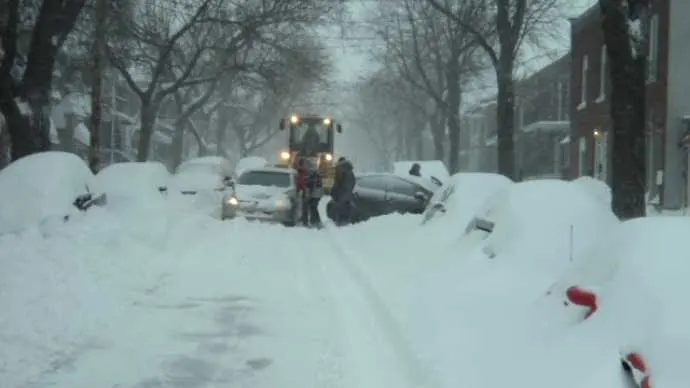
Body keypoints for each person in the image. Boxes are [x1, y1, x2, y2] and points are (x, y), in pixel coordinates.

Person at [330, 157, 355, 225]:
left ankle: (341, 223)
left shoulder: (342, 171)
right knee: (345, 207)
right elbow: (352, 183)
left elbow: (338, 183)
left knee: (341, 207)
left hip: (342, 194)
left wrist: (335, 192)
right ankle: (344, 222)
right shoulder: (349, 171)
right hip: (346, 194)